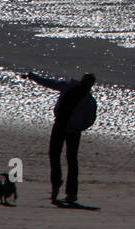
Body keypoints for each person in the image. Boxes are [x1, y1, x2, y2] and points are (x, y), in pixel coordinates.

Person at [24, 71, 98, 206]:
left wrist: (78, 127)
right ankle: (60, 187)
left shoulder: (87, 99)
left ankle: (67, 191)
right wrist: (33, 77)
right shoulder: (73, 89)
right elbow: (50, 83)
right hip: (62, 126)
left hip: (70, 130)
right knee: (59, 157)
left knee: (67, 159)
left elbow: (90, 119)